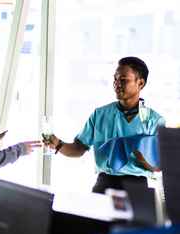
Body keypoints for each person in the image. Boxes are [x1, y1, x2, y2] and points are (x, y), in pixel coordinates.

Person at [44, 57, 165, 193]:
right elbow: (79, 148)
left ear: (140, 83)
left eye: (123, 80)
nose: (117, 84)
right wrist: (58, 144)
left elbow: (158, 167)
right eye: (115, 79)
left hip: (137, 187)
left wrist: (140, 155)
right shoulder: (100, 115)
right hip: (104, 184)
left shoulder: (154, 121)